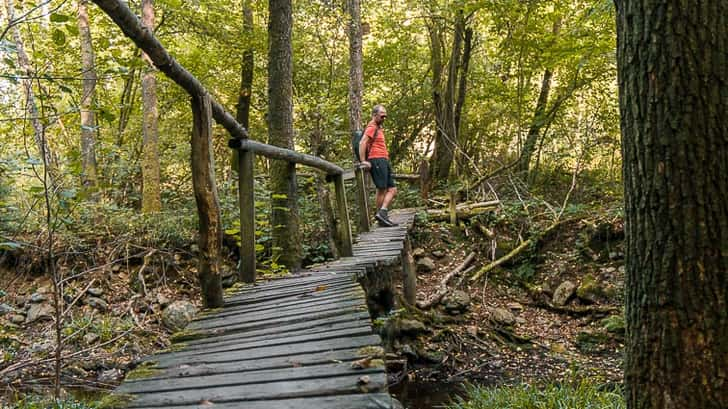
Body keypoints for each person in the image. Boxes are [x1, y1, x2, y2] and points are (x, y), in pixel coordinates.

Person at [359, 104, 398, 227]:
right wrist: (363, 160)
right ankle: (381, 216)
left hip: (383, 159)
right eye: (381, 116)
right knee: (382, 189)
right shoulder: (371, 127)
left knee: (392, 189)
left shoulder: (378, 127)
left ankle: (382, 213)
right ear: (374, 115)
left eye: (385, 116)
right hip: (376, 159)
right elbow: (362, 142)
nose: (384, 119)